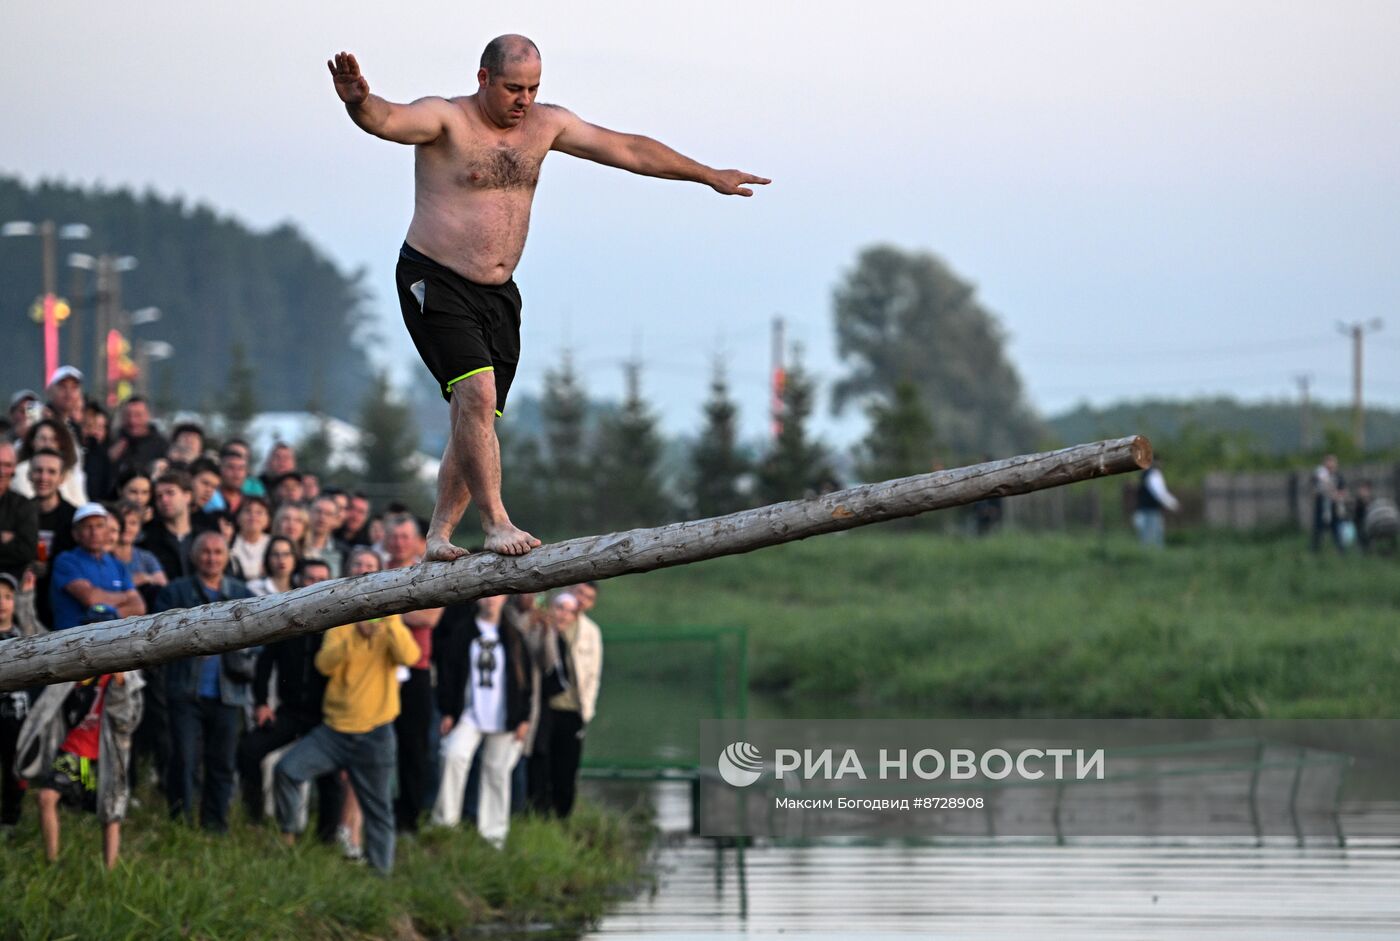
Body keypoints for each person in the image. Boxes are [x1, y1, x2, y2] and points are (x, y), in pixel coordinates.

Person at [327, 37, 767, 560]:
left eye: (534, 88)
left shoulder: (546, 124)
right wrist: (359, 101)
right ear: (484, 79)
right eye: (514, 87)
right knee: (477, 397)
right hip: (434, 278)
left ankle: (439, 534)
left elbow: (628, 149)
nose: (525, 100)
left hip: (498, 294)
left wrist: (707, 174)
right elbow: (389, 120)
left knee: (475, 419)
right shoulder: (446, 119)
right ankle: (495, 523)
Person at [274, 611, 420, 874]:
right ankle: (289, 833)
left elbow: (409, 657)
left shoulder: (391, 622)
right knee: (287, 770)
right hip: (334, 731)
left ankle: (380, 877)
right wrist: (355, 632)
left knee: (379, 809)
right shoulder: (341, 624)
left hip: (376, 733)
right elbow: (324, 664)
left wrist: (387, 624)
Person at [19, 603, 144, 870]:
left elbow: (127, 721)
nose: (98, 638)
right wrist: (27, 598)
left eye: (105, 631)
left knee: (110, 814)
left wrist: (120, 685)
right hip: (75, 752)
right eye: (91, 630)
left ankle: (109, 874)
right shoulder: (71, 668)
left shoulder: (128, 674)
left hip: (106, 755)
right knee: (46, 797)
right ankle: (51, 864)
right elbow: (35, 640)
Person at [156, 531, 257, 832]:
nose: (211, 558)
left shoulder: (243, 593)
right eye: (205, 551)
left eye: (217, 552)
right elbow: (157, 636)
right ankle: (180, 822)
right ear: (193, 555)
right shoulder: (175, 593)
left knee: (222, 763)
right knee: (184, 760)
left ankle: (216, 825)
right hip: (185, 690)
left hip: (229, 693)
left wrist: (232, 646)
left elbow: (262, 638)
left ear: (227, 557)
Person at [239, 558, 342, 837]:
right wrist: (261, 703)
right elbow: (264, 663)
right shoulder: (286, 617)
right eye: (310, 578)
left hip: (325, 715)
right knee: (249, 749)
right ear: (298, 580)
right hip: (289, 711)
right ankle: (255, 817)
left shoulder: (340, 621)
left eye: (322, 579)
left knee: (332, 772)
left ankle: (327, 837)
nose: (316, 585)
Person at [429, 594, 531, 846]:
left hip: (504, 715)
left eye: (497, 595)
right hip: (469, 713)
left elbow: (525, 679)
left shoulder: (513, 635)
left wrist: (524, 718)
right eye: (486, 595)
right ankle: (445, 824)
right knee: (453, 755)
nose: (491, 600)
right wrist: (448, 712)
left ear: (506, 597)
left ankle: (493, 834)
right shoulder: (463, 632)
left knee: (497, 772)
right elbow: (448, 674)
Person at [380, 513, 443, 833]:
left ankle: (409, 818)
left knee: (413, 747)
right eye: (393, 536)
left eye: (405, 536)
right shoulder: (374, 569)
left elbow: (429, 618)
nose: (399, 542)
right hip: (377, 670)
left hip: (415, 670)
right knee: (374, 743)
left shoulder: (429, 569)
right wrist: (407, 611)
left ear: (416, 539)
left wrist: (383, 612)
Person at [527, 591, 601, 818]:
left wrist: (586, 709)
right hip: (545, 708)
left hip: (572, 710)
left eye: (569, 611)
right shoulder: (541, 628)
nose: (564, 615)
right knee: (540, 761)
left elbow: (593, 674)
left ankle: (562, 816)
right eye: (560, 609)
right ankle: (537, 811)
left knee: (566, 766)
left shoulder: (588, 632)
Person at [49, 503, 145, 631]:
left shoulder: (118, 565)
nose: (94, 532)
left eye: (100, 526)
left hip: (112, 640)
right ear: (76, 534)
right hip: (71, 642)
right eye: (87, 526)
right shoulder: (66, 560)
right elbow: (91, 598)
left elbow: (139, 607)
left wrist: (112, 616)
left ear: (107, 531)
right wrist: (125, 597)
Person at [13, 417, 87, 507]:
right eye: (43, 439)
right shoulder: (21, 470)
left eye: (54, 440)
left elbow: (81, 503)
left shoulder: (68, 473)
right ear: (32, 442)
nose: (48, 444)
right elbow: (25, 502)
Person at [0, 440, 38, 583]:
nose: (2, 471)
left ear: (14, 469)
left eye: (7, 465)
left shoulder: (24, 505)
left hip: (11, 588)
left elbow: (27, 551)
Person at [108, 396, 169, 483]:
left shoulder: (161, 445)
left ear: (148, 416)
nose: (132, 421)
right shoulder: (112, 441)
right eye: (128, 415)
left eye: (138, 415)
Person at [1132, 460, 1180, 549]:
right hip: (1151, 510)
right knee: (1155, 540)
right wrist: (1173, 504)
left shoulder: (1145, 474)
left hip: (1144, 509)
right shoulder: (1154, 474)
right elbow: (1160, 493)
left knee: (1146, 539)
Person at [229, 495, 273, 581]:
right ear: (238, 517)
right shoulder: (230, 542)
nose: (253, 516)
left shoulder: (273, 544)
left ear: (268, 520)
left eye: (259, 512)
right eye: (248, 511)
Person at [303, 494, 348, 578]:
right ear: (309, 513)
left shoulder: (343, 552)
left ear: (336, 520)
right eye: (318, 511)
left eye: (328, 514)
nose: (322, 517)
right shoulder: (295, 547)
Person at [1311, 454, 1343, 552]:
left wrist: (1335, 495)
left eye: (1332, 462)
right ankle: (1314, 552)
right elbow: (1313, 492)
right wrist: (1323, 490)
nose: (1330, 465)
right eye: (1328, 462)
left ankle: (1341, 553)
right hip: (1321, 508)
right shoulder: (1318, 476)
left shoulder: (1338, 477)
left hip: (1334, 509)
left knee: (1336, 532)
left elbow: (1342, 492)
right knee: (1318, 532)